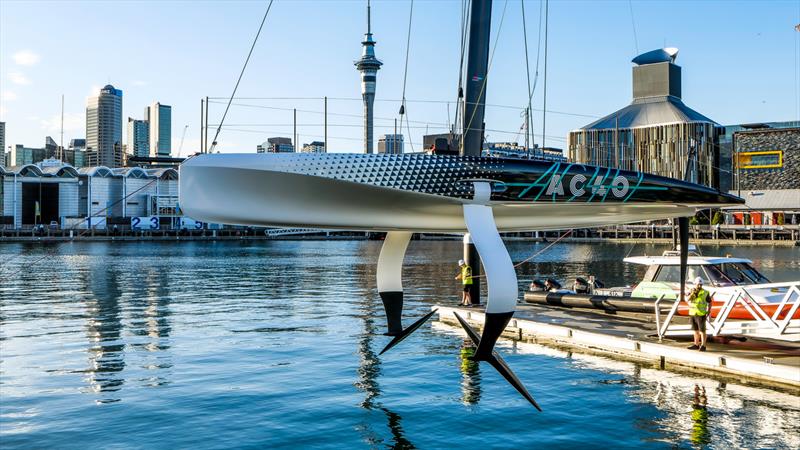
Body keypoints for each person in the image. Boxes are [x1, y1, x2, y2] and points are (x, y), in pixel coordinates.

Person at [687, 277, 710, 351]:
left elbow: (710, 302)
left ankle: (703, 346)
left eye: (701, 284)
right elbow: (687, 299)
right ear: (695, 284)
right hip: (693, 313)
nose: (699, 286)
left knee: (702, 331)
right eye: (698, 284)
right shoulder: (691, 291)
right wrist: (692, 294)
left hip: (701, 314)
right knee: (695, 330)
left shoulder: (705, 292)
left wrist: (709, 311)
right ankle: (696, 344)